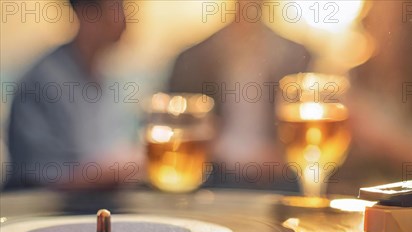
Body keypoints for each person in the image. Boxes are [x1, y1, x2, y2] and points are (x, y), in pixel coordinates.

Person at [168, 0, 310, 190]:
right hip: (211, 174)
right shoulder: (192, 58)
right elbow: (175, 123)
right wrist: (214, 146)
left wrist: (281, 152)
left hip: (278, 177)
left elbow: (306, 127)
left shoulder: (296, 56)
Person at [6, 0, 141, 189]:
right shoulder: (44, 83)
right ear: (87, 14)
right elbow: (42, 181)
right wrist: (127, 165)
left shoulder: (105, 76)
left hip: (96, 208)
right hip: (46, 214)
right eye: (118, 7)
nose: (127, 20)